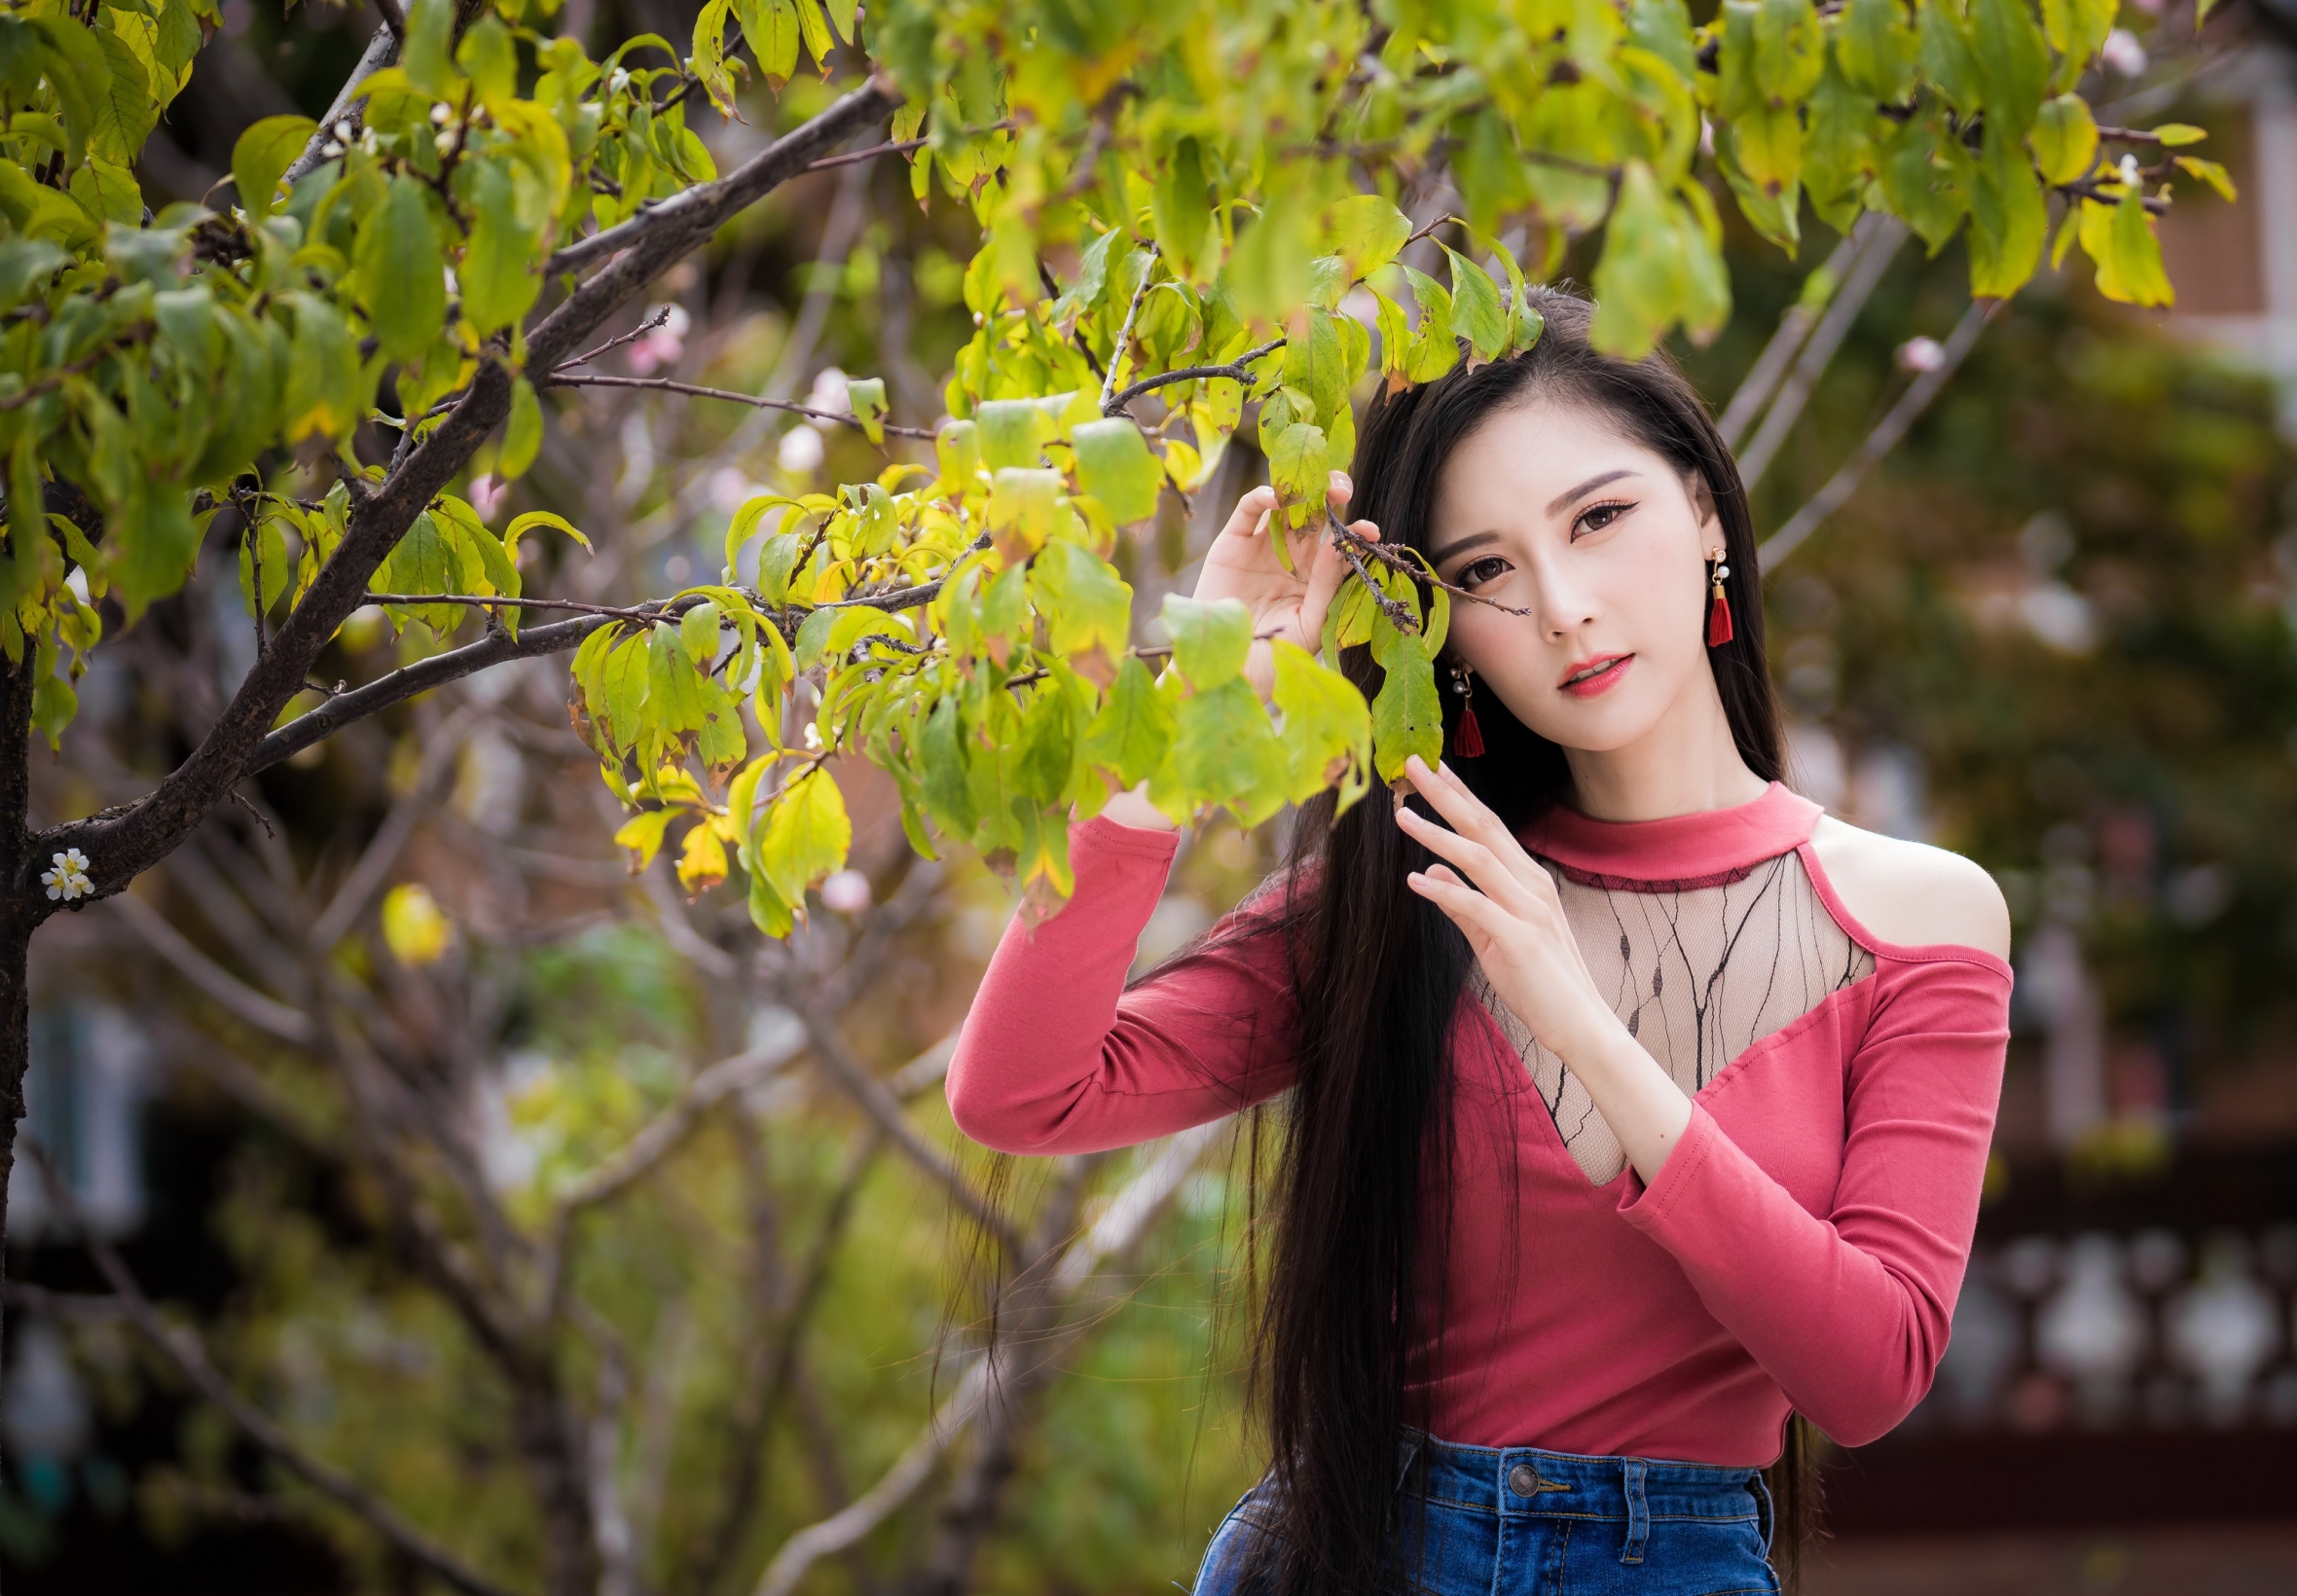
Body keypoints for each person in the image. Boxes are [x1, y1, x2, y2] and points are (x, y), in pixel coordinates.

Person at [944, 287, 2012, 1596]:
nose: (1563, 606)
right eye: (1487, 571)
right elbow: (1019, 1094)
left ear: (1701, 508)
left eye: (1601, 518)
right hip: (1361, 1551)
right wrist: (1183, 726)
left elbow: (1868, 1375)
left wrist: (1581, 1030)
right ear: (1443, 631)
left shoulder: (1915, 917)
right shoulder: (1420, 889)